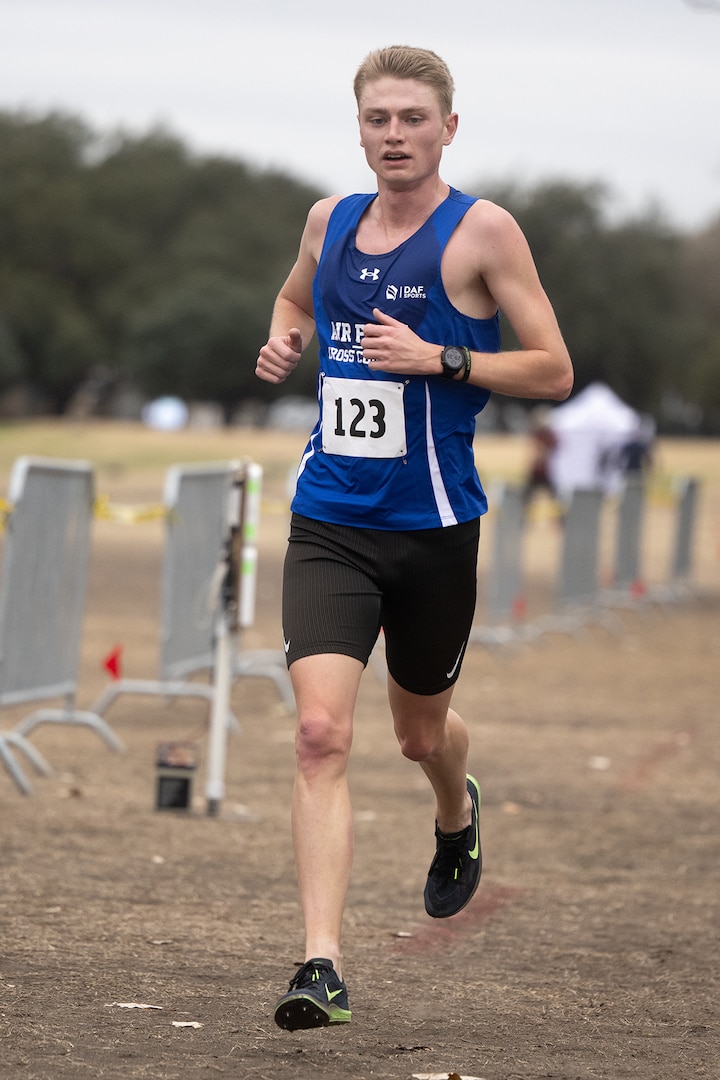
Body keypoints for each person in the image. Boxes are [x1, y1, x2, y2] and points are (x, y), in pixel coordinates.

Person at [256, 44, 573, 1032]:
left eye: (413, 119)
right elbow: (298, 296)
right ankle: (321, 963)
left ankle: (454, 809)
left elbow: (554, 370)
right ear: (359, 127)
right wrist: (286, 336)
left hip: (434, 531)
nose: (394, 135)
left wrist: (442, 356)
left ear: (448, 128)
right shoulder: (330, 220)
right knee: (318, 736)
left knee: (418, 733)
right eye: (378, 118)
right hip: (330, 524)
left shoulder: (482, 234)